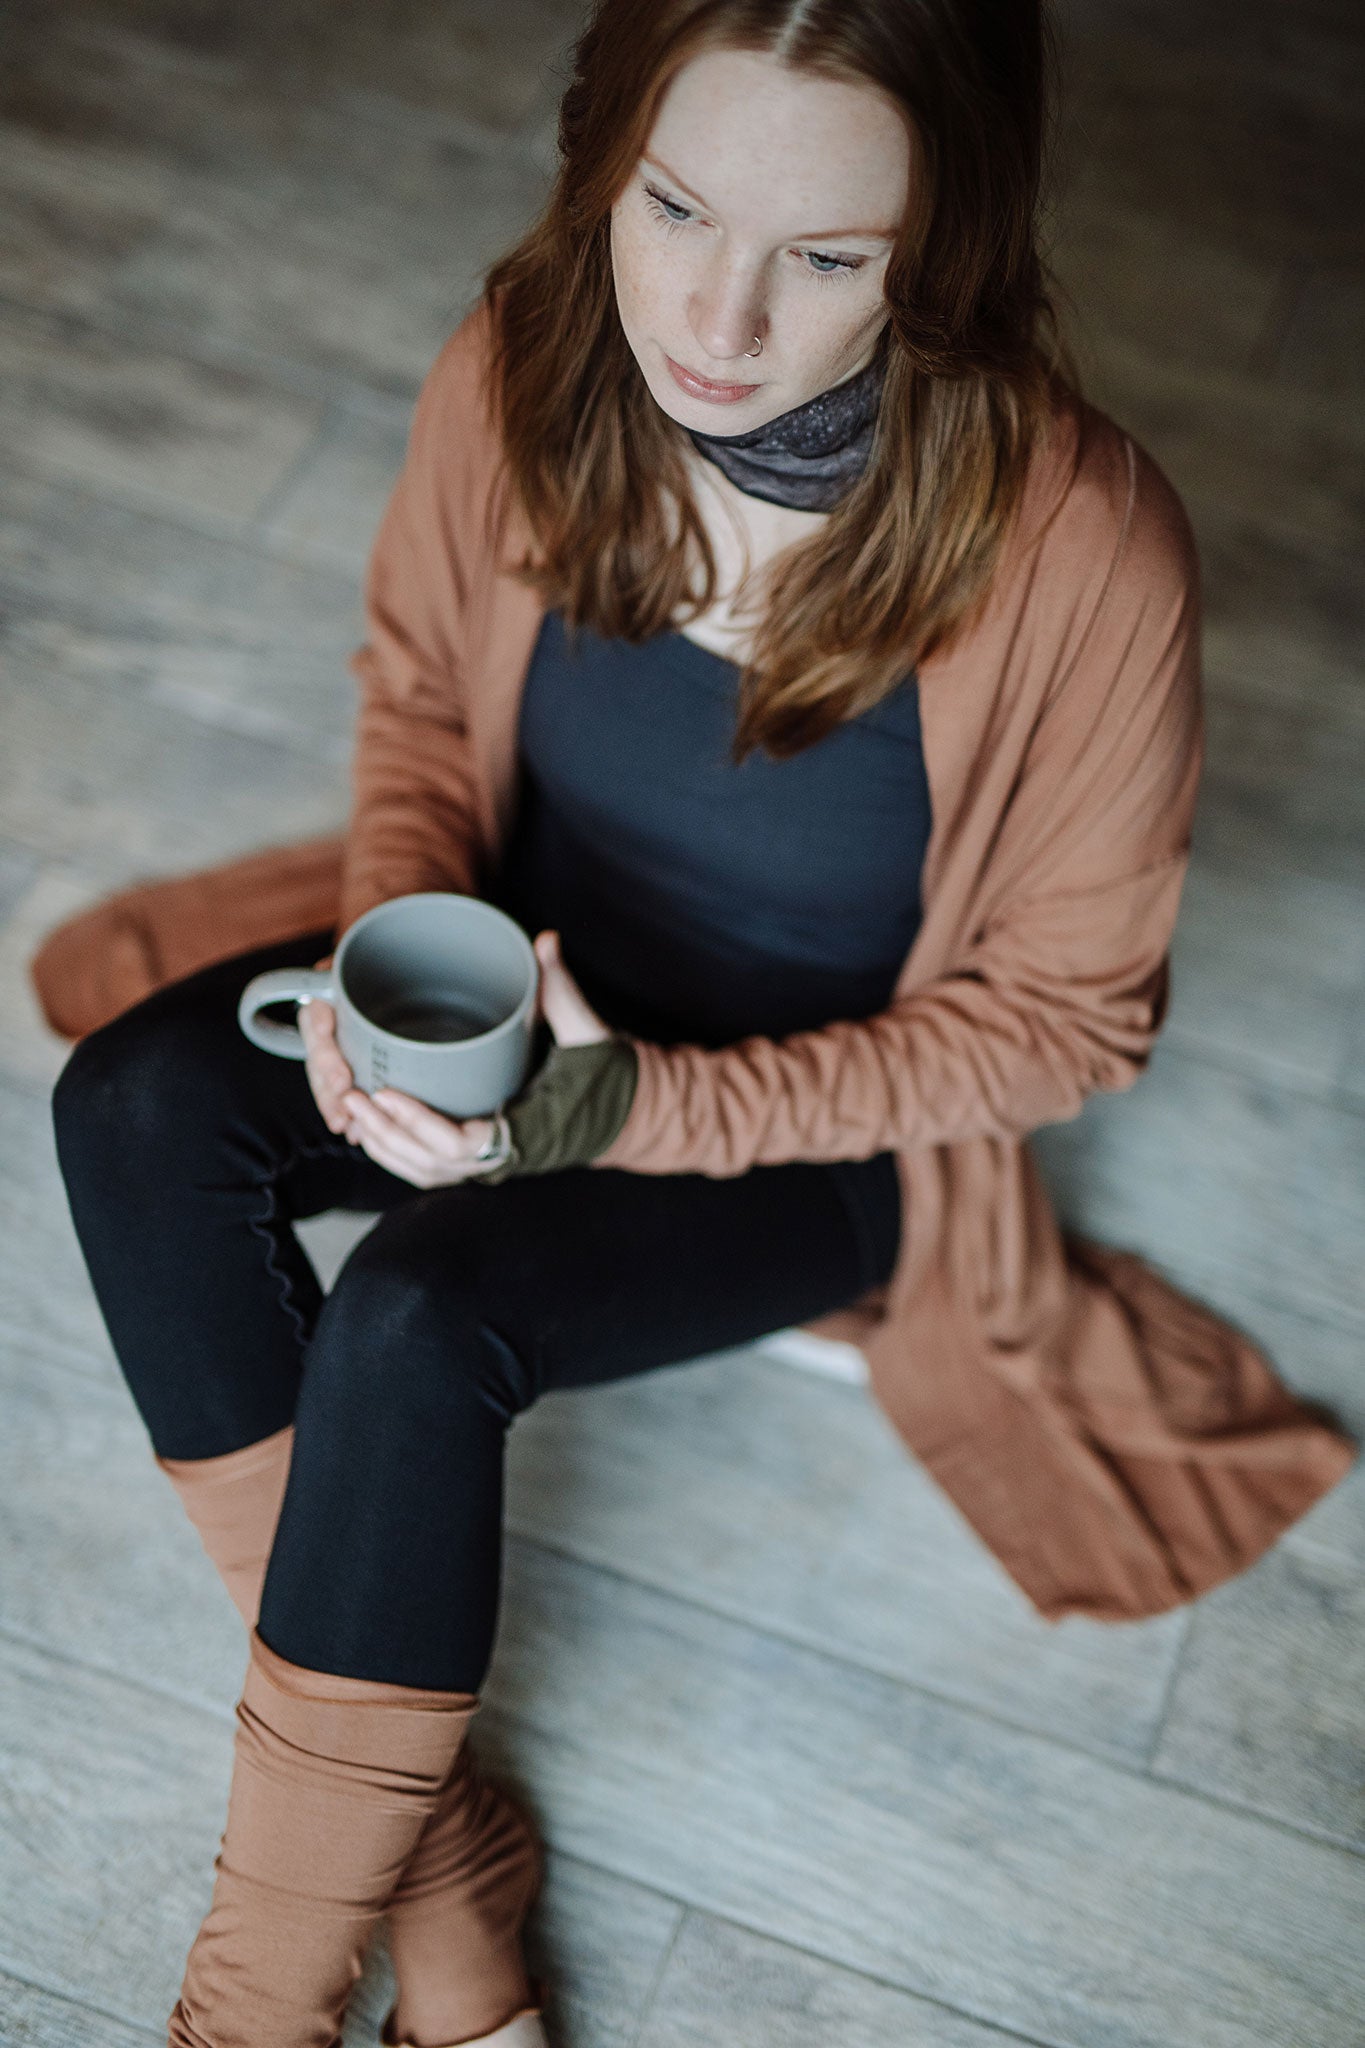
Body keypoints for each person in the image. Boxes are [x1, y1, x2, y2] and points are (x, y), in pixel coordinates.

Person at [47, 3, 1284, 2045]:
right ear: (596, 156)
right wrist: (394, 975)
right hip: (521, 987)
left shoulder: (1084, 545)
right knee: (131, 1108)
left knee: (416, 1319)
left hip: (822, 1135)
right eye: (672, 207)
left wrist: (630, 1110)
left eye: (827, 255)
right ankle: (440, 1859)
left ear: (948, 246)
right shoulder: (526, 357)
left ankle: (248, 2006)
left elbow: (1067, 1028)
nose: (714, 319)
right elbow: (418, 703)